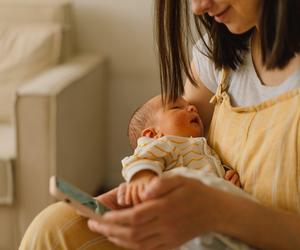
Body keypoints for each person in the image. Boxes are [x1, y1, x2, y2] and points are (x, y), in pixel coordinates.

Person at [20, 0, 300, 249]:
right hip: (202, 231)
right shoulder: (218, 52)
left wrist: (223, 210)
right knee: (55, 225)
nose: (197, 7)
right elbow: (172, 139)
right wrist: (141, 189)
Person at [118, 94, 242, 208]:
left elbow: (213, 171)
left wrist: (227, 177)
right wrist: (142, 177)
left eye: (189, 105)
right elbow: (141, 158)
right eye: (176, 107)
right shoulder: (163, 144)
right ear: (152, 134)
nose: (193, 108)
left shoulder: (206, 148)